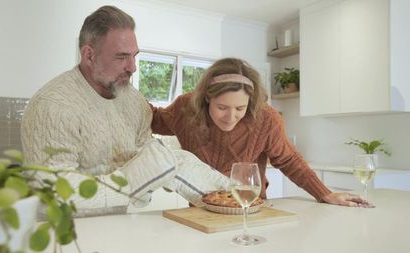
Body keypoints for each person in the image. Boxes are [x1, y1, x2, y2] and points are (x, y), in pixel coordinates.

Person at [21, 6, 228, 217]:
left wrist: (229, 194)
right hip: (65, 239)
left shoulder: (134, 101)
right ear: (89, 55)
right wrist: (130, 181)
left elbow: (147, 161)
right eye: (121, 57)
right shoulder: (53, 106)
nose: (132, 67)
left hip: (119, 226)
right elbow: (55, 190)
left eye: (134, 56)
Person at [151, 57, 370, 207]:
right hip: (200, 208)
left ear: (251, 102)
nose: (230, 117)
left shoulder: (266, 118)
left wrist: (325, 193)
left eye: (240, 108)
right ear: (207, 98)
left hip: (250, 207)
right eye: (222, 108)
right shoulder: (186, 108)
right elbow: (153, 119)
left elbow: (289, 160)